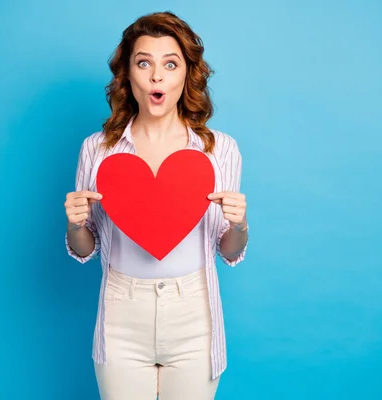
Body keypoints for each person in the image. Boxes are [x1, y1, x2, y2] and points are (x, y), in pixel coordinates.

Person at [64, 11, 249, 400]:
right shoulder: (97, 150)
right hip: (121, 312)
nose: (156, 76)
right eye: (143, 62)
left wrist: (240, 226)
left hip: (194, 313)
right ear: (127, 75)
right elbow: (86, 248)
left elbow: (227, 250)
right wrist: (76, 226)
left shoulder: (220, 150)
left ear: (187, 74)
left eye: (170, 63)